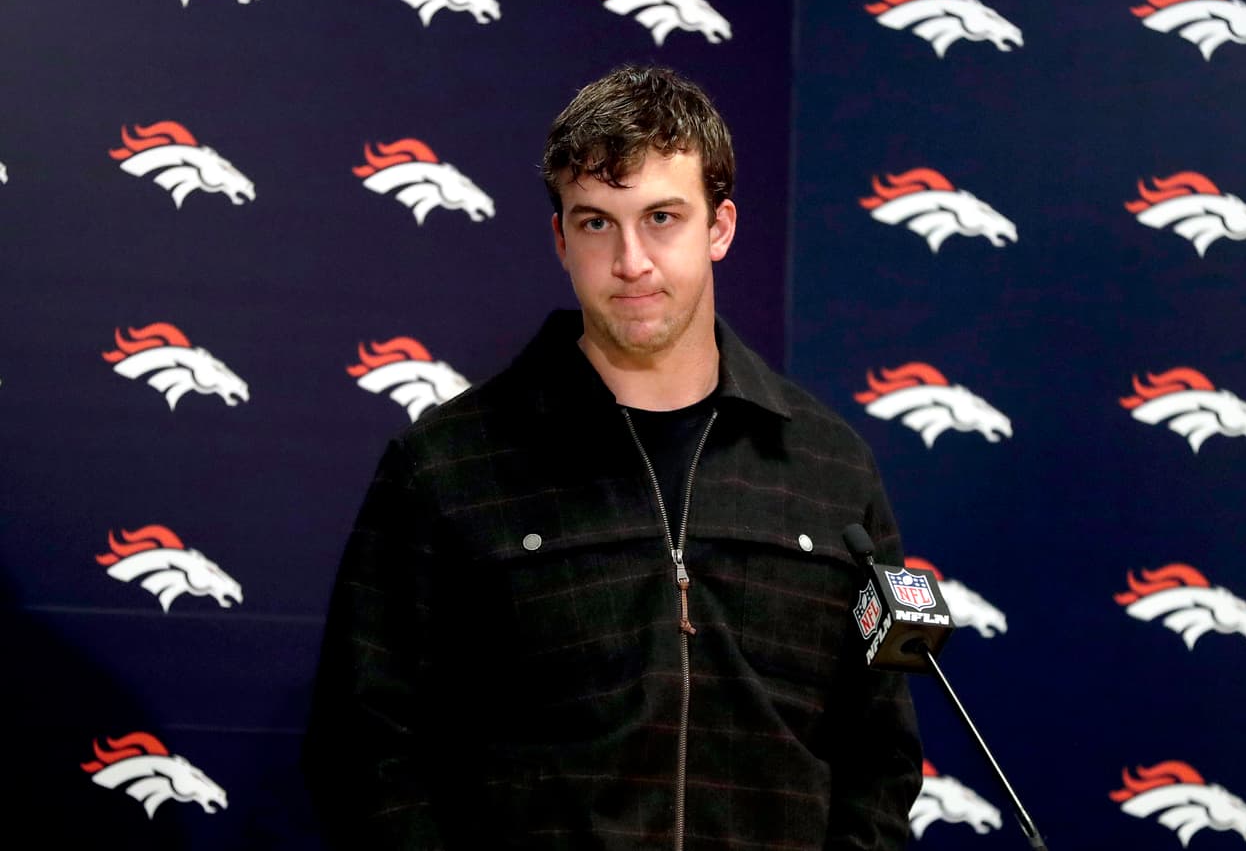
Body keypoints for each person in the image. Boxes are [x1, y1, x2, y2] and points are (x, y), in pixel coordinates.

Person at [304, 65, 922, 850]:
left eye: (662, 217)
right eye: (597, 223)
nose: (632, 260)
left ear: (720, 227)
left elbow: (878, 751)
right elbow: (364, 745)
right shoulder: (446, 467)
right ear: (561, 239)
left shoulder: (830, 469)